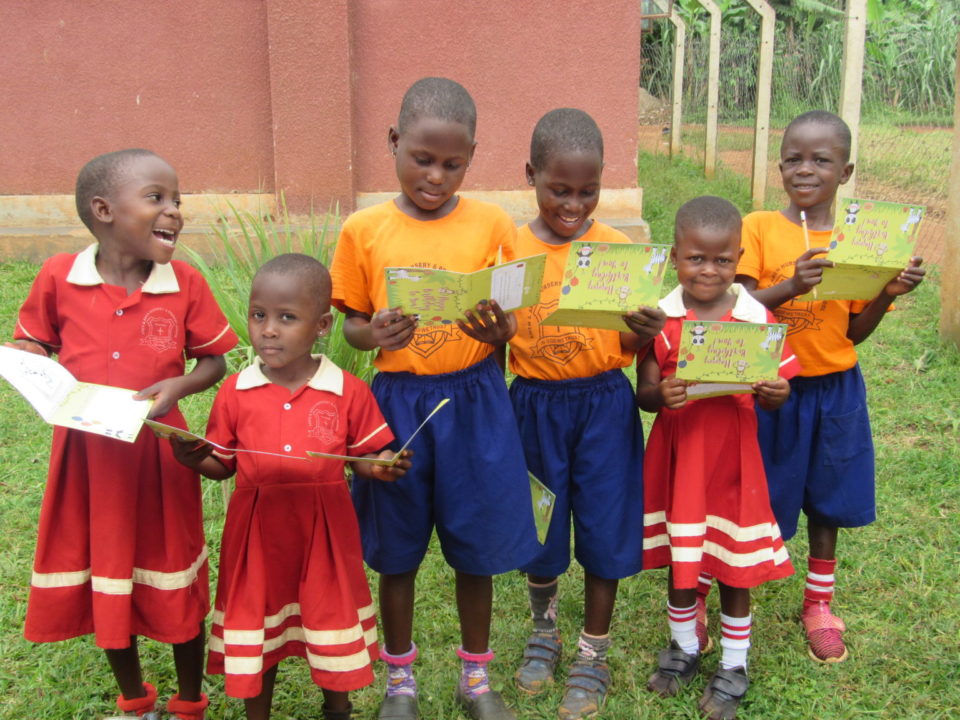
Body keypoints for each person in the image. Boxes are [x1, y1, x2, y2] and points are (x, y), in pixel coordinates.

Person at [329, 77, 540, 720]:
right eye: (422, 158)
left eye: (453, 163)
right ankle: (401, 683)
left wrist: (499, 331)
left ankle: (475, 681)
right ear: (394, 142)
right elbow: (352, 322)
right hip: (396, 403)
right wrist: (375, 331)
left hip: (475, 399)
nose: (436, 176)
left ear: (471, 157)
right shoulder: (364, 229)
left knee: (476, 545)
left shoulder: (493, 223)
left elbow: (507, 312)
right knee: (398, 549)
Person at [8, 149, 238, 720]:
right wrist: (27, 358)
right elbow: (34, 342)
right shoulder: (59, 276)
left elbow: (214, 363)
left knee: (173, 569)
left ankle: (189, 701)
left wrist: (177, 387)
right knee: (107, 573)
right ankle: (136, 701)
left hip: (160, 456)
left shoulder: (183, 281)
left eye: (177, 200)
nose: (175, 211)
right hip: (87, 459)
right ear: (104, 209)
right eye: (157, 198)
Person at [171, 254, 411, 720]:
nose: (268, 330)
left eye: (287, 318)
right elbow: (224, 465)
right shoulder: (235, 391)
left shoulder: (346, 390)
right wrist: (196, 458)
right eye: (259, 315)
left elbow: (364, 457)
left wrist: (382, 466)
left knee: (329, 621)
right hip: (257, 535)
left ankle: (337, 710)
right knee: (257, 629)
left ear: (322, 324)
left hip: (324, 532)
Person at [734, 110, 925, 663]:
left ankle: (819, 602)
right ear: (779, 166)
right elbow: (738, 311)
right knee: (743, 489)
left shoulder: (859, 239)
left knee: (827, 495)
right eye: (794, 158)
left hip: (834, 388)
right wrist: (792, 283)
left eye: (821, 159)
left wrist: (887, 292)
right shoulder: (758, 228)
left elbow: (854, 332)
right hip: (767, 389)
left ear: (846, 171)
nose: (805, 169)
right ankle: (708, 589)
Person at [506, 108, 663, 720]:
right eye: (559, 190)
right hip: (533, 405)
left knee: (605, 520)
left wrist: (646, 332)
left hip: (603, 404)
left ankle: (593, 650)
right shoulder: (509, 249)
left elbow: (629, 346)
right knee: (538, 519)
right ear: (531, 176)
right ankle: (544, 627)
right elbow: (496, 338)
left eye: (588, 191)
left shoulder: (619, 251)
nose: (574, 204)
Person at [637, 196, 799, 720]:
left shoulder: (756, 316)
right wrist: (661, 395)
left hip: (733, 460)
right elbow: (644, 390)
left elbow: (781, 389)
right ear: (675, 257)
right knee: (683, 559)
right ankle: (683, 647)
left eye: (722, 260)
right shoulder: (660, 320)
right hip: (680, 455)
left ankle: (734, 663)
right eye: (695, 259)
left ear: (739, 257)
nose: (708, 270)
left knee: (734, 564)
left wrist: (775, 392)